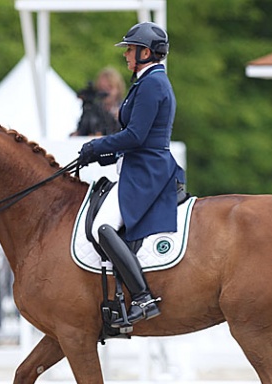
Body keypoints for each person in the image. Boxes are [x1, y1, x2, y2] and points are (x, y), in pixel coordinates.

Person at [76, 21, 185, 328]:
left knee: (102, 225)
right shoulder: (147, 81)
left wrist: (97, 146)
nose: (126, 55)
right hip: (139, 164)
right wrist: (103, 153)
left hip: (147, 169)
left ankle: (142, 296)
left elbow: (136, 135)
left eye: (130, 50)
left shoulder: (152, 84)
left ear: (145, 53)